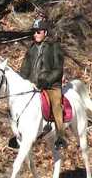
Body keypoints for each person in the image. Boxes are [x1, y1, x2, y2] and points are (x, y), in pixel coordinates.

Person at [19, 18, 67, 148]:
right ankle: (19, 133)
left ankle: (60, 137)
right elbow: (25, 69)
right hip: (33, 85)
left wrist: (47, 81)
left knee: (56, 105)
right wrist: (21, 81)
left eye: (38, 32)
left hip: (51, 86)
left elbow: (58, 69)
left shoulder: (54, 46)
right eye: (34, 32)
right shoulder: (31, 49)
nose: (35, 34)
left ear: (45, 32)